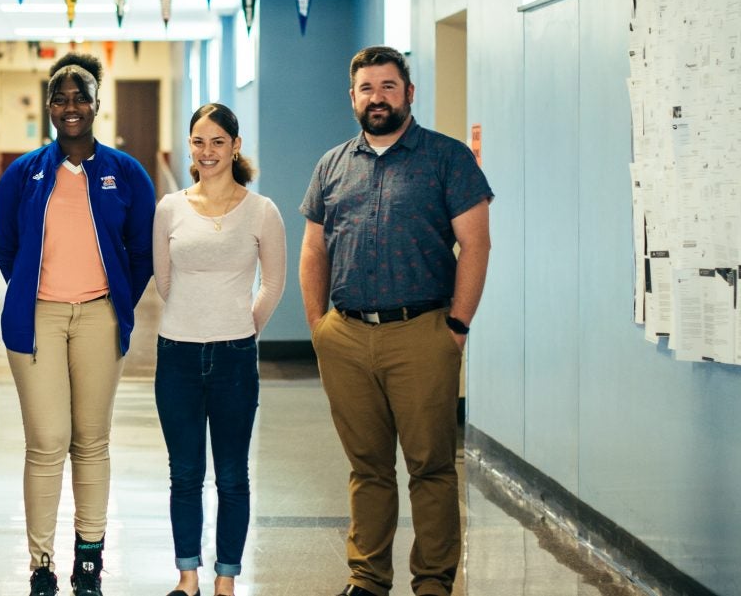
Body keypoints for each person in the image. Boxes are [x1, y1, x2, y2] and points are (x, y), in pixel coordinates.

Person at [299, 46, 492, 596]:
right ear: (353, 97)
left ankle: (432, 582)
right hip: (347, 334)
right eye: (367, 88)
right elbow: (314, 251)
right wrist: (320, 328)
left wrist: (456, 327)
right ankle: (367, 579)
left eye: (388, 86)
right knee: (367, 467)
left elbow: (475, 244)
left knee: (430, 466)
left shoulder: (446, 158)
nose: (377, 97)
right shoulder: (332, 165)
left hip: (422, 332)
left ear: (409, 93)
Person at [0, 52, 156, 596]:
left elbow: (142, 249)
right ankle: (41, 565)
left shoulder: (124, 172)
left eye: (80, 96)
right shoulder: (23, 172)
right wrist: (33, 293)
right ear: (48, 105)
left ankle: (89, 558)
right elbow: (6, 248)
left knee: (91, 440)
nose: (71, 107)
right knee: (46, 440)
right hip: (36, 317)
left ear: (96, 104)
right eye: (61, 98)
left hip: (99, 315)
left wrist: (117, 301)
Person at [152, 103, 286, 596]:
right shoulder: (170, 208)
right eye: (198, 142)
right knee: (185, 473)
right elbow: (165, 281)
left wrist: (237, 326)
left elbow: (272, 284)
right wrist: (196, 317)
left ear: (235, 146)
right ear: (189, 146)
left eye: (217, 142)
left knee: (232, 475)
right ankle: (188, 578)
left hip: (234, 356)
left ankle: (225, 580)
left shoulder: (261, 210)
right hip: (177, 355)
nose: (207, 152)